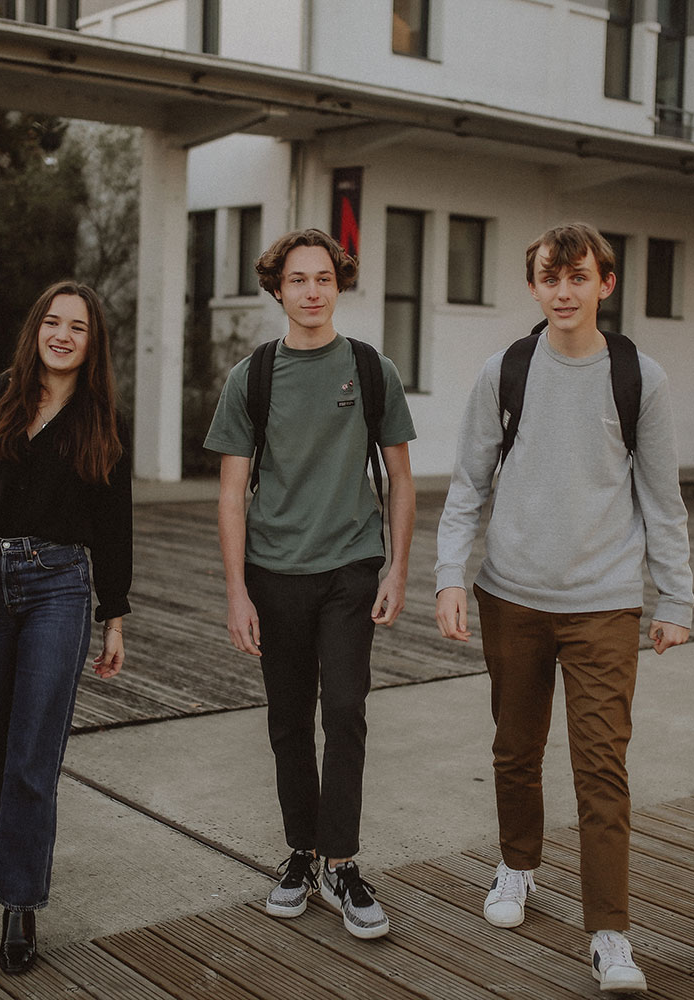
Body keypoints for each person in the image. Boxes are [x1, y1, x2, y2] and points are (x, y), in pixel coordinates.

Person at [434, 223, 694, 993]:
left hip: (605, 604)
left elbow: (663, 498)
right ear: (535, 286)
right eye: (551, 278)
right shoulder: (504, 371)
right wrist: (451, 575)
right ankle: (517, 866)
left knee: (601, 767)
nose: (565, 291)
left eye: (579, 277)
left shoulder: (640, 377)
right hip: (510, 595)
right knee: (514, 750)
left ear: (605, 285)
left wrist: (674, 595)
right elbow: (467, 486)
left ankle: (611, 933)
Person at [204, 228, 416, 940]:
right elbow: (232, 494)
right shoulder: (252, 377)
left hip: (351, 566)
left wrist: (399, 566)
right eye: (298, 280)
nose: (312, 291)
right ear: (278, 290)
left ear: (339, 284)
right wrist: (236, 591)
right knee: (290, 718)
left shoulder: (371, 368)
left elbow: (402, 476)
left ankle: (343, 862)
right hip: (273, 573)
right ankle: (301, 853)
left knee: (347, 709)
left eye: (323, 278)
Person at [0, 279, 132, 975]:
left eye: (78, 326)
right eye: (53, 321)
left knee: (32, 753)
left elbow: (114, 525)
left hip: (60, 587)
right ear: (36, 329)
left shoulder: (102, 422)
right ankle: (28, 833)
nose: (63, 334)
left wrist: (115, 614)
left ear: (92, 342)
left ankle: (20, 905)